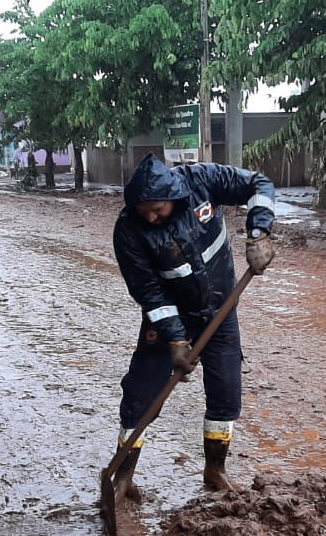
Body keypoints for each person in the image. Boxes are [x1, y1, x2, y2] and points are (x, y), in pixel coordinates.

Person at [111, 153, 277, 498]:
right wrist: (175, 339)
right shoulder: (129, 230)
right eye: (145, 212)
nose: (152, 218)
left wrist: (259, 231)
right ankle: (122, 477)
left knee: (225, 393)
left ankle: (215, 471)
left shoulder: (201, 181)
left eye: (157, 209)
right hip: (170, 315)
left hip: (220, 310)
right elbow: (148, 291)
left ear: (173, 197)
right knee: (142, 395)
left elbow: (258, 183)